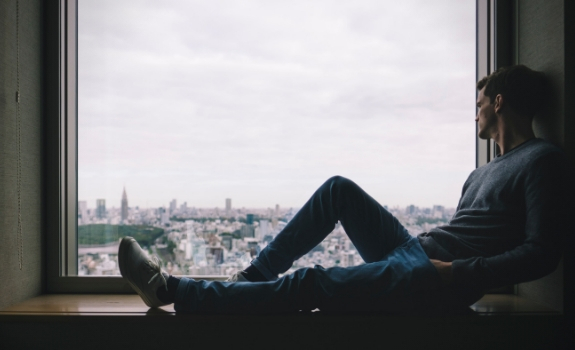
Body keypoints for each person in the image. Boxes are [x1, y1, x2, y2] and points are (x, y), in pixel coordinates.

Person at [119, 65, 569, 314]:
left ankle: (171, 290)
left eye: (478, 106)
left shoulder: (541, 159)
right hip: (420, 253)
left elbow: (543, 252)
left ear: (498, 102)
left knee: (312, 282)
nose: (474, 116)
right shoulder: (481, 173)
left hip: (437, 277)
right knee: (338, 190)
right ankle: (251, 278)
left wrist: (456, 273)